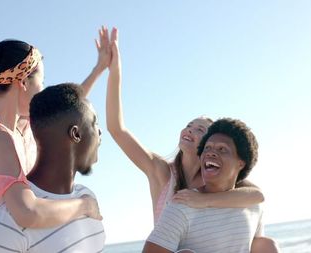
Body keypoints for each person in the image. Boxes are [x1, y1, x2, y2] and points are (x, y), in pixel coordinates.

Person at [0, 26, 113, 252]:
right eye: (42, 80)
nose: (43, 89)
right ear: (23, 82)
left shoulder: (21, 126)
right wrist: (84, 206)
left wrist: (99, 69)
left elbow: (65, 109)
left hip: (20, 240)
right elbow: (27, 213)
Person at [105, 29, 264, 225]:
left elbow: (256, 195)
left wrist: (205, 200)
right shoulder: (161, 171)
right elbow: (117, 129)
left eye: (199, 130)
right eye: (189, 125)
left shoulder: (215, 179)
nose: (190, 130)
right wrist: (115, 70)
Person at [0, 83, 106, 252]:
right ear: (76, 134)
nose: (100, 132)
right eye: (95, 123)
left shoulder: (86, 196)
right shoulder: (8, 222)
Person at [143, 118, 279, 253]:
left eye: (222, 149)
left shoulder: (253, 207)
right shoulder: (182, 206)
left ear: (241, 163)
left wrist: (205, 201)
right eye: (207, 148)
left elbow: (259, 196)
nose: (210, 152)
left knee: (266, 245)